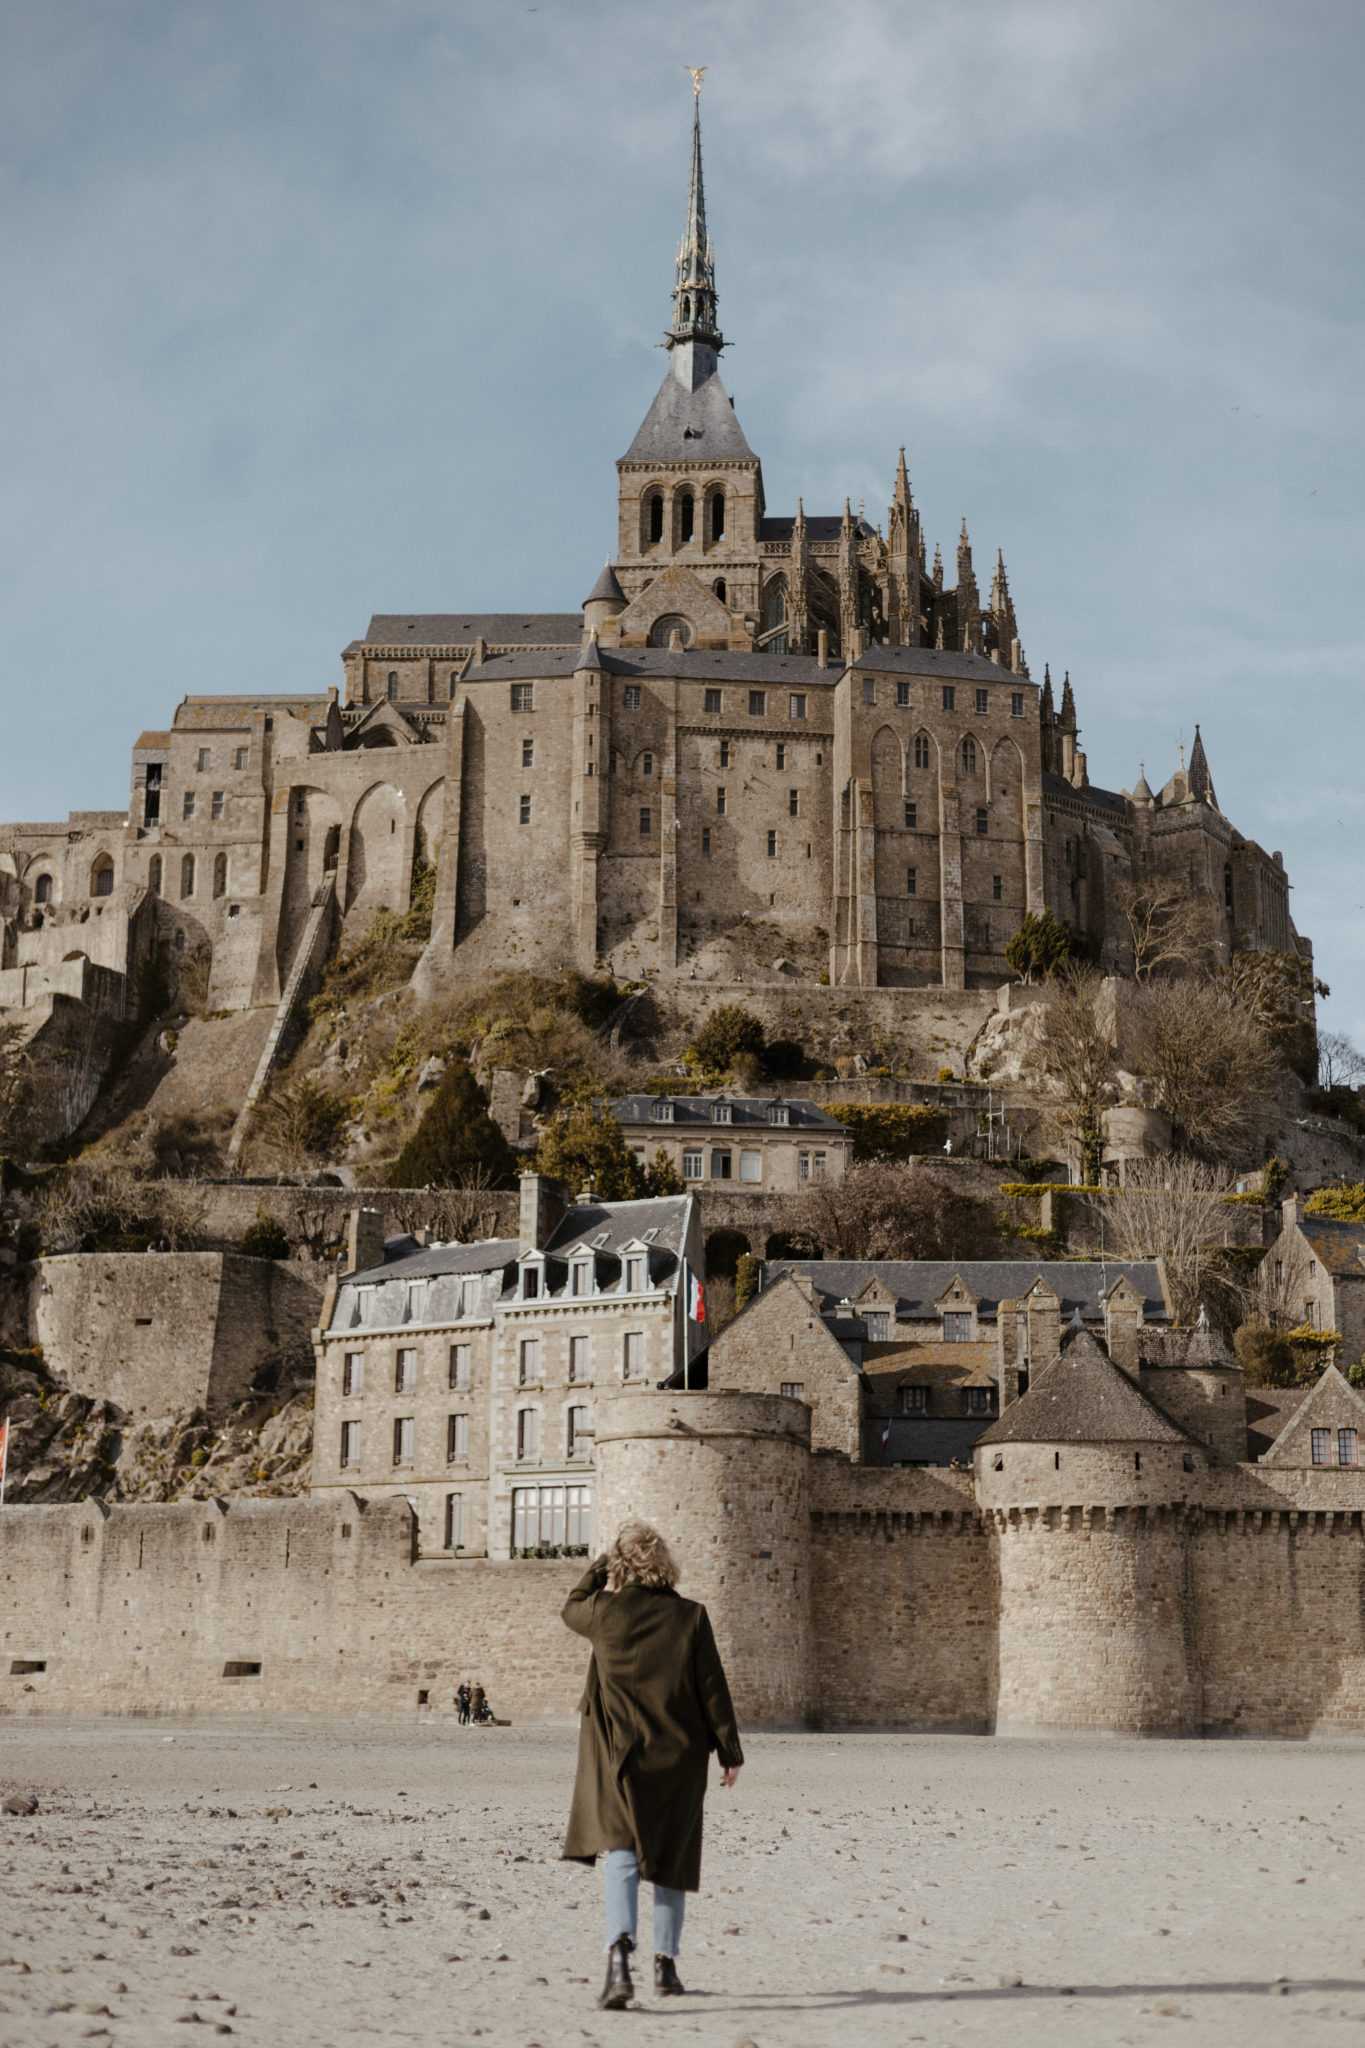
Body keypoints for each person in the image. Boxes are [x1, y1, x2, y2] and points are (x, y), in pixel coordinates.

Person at [561, 1520, 743, 2011]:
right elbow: (712, 1689)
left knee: (621, 1849)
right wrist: (730, 1752)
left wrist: (603, 1563)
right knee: (671, 1856)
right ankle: (665, 1965)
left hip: (618, 1754)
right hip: (679, 1755)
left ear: (620, 1565)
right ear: (664, 1564)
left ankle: (619, 1957)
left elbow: (570, 1606)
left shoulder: (603, 1614)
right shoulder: (691, 1617)